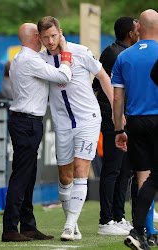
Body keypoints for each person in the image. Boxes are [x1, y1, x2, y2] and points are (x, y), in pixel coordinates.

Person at [37, 16, 114, 241]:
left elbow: (103, 78)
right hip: (61, 123)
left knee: (81, 167)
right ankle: (73, 222)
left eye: (53, 35)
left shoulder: (80, 51)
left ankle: (69, 225)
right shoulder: (40, 59)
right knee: (64, 176)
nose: (50, 41)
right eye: (45, 37)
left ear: (60, 32)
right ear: (40, 38)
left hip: (88, 119)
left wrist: (117, 111)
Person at [2, 23, 72, 242]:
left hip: (25, 121)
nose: (46, 40)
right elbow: (63, 76)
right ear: (35, 36)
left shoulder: (24, 57)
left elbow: (46, 57)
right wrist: (66, 52)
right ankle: (10, 228)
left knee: (28, 175)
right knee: (22, 175)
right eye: (42, 36)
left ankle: (27, 225)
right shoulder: (31, 60)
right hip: (27, 122)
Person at [111, 9, 158, 250]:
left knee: (143, 177)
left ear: (138, 29)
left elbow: (117, 99)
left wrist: (119, 129)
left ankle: (148, 232)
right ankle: (144, 231)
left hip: (136, 121)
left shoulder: (124, 56)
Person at [92, 17, 139, 236]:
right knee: (112, 168)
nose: (140, 31)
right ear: (130, 34)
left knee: (124, 170)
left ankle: (119, 217)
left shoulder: (120, 52)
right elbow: (103, 87)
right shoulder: (116, 53)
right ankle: (106, 220)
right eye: (137, 28)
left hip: (125, 118)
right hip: (114, 120)